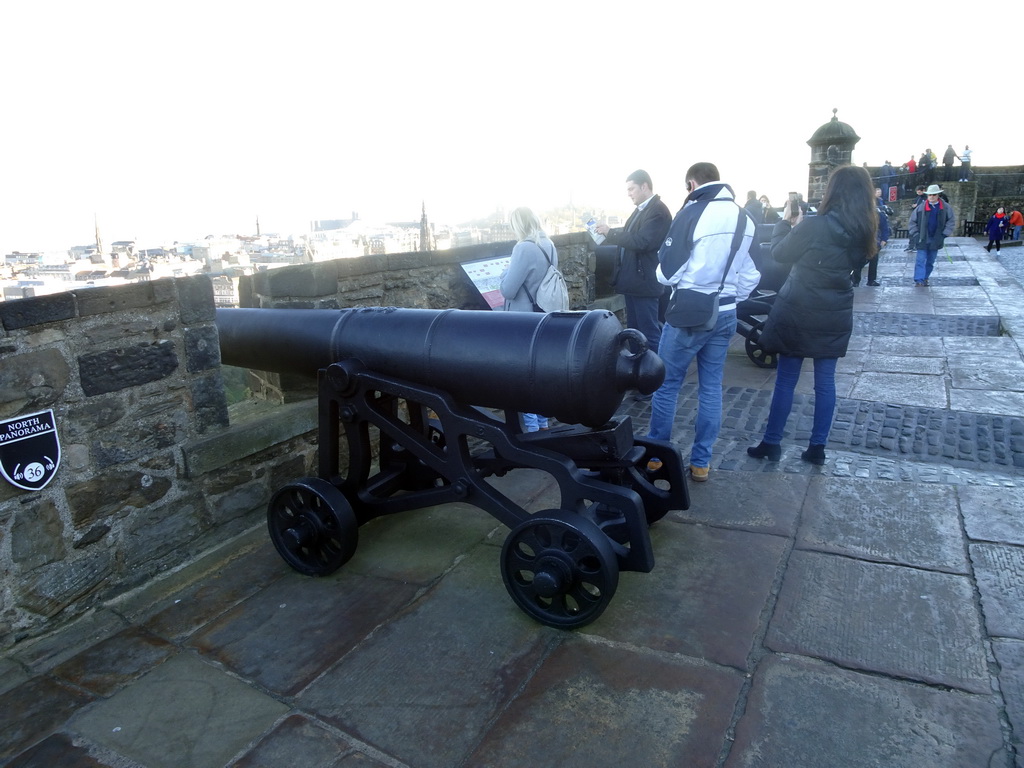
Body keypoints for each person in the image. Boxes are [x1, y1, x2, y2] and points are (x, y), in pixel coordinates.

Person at [747, 165, 877, 466]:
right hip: (835, 311)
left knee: (786, 379)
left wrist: (786, 222)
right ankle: (817, 448)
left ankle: (772, 443)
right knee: (825, 383)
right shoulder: (865, 229)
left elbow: (779, 254)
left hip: (799, 309)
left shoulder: (814, 226)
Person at [645, 162, 760, 482]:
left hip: (687, 314)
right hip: (725, 314)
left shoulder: (691, 213)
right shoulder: (744, 217)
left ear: (692, 184)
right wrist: (728, 298)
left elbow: (667, 273)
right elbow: (752, 274)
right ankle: (701, 463)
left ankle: (656, 455)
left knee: (666, 384)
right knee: (711, 388)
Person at [595, 170, 672, 356]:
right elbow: (633, 238)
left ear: (644, 186)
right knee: (636, 333)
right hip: (635, 282)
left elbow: (642, 242)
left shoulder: (657, 211)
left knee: (649, 333)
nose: (629, 193)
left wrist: (610, 233)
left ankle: (655, 377)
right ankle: (638, 374)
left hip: (644, 283)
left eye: (632, 189)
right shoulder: (644, 210)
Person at [499, 206, 557, 431]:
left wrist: (505, 271)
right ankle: (542, 423)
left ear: (518, 225)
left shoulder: (523, 248)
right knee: (541, 375)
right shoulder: (548, 245)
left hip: (523, 322)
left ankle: (531, 430)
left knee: (525, 377)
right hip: (544, 316)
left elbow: (508, 290)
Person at [908, 184, 956, 286]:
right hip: (922, 237)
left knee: (930, 261)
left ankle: (925, 277)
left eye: (934, 195)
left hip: (936, 238)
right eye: (929, 195)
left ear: (938, 195)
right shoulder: (921, 208)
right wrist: (916, 234)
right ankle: (919, 280)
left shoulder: (946, 208)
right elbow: (912, 222)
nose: (931, 197)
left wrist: (944, 234)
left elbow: (951, 221)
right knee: (920, 260)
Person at [853, 188, 890, 286]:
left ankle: (871, 280)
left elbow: (885, 228)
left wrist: (884, 239)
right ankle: (855, 281)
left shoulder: (879, 215)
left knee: (874, 261)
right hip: (861, 240)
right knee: (858, 261)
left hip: (874, 241)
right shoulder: (859, 215)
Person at [905, 185, 927, 252]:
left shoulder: (926, 198)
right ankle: (911, 246)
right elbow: (914, 205)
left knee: (919, 232)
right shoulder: (918, 198)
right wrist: (913, 206)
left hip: (922, 217)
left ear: (923, 191)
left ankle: (916, 245)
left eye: (919, 192)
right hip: (915, 216)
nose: (918, 194)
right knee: (912, 231)